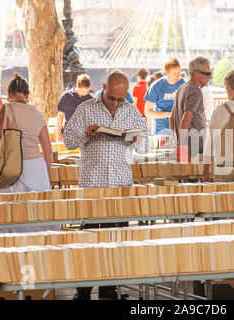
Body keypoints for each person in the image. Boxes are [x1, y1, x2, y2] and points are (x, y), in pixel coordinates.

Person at [64, 71, 148, 300]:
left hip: (120, 185)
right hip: (93, 184)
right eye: (112, 98)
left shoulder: (131, 111)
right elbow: (68, 140)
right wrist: (85, 134)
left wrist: (137, 139)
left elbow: (145, 146)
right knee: (89, 239)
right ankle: (83, 290)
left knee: (117, 239)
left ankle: (110, 288)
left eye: (121, 99)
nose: (116, 103)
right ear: (104, 87)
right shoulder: (85, 108)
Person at [0, 73, 55, 233]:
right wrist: (46, 174)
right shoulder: (37, 112)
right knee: (38, 215)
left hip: (12, 166)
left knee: (9, 214)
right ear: (28, 95)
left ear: (9, 94)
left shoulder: (6, 108)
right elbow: (47, 149)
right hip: (37, 168)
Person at [169, 56, 210, 156]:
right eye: (207, 74)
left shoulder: (182, 87)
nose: (209, 77)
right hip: (196, 147)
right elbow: (186, 119)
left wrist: (176, 142)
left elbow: (172, 118)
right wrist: (180, 146)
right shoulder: (195, 90)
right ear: (196, 74)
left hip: (189, 146)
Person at [144, 57, 185, 135]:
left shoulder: (185, 84)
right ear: (167, 73)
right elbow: (148, 112)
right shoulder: (156, 86)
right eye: (174, 73)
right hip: (160, 130)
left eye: (179, 73)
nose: (178, 76)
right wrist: (170, 114)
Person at [56, 74, 93, 142]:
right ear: (78, 86)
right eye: (83, 91)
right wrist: (58, 133)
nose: (85, 92)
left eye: (87, 90)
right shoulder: (66, 96)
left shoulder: (90, 99)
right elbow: (60, 116)